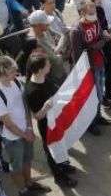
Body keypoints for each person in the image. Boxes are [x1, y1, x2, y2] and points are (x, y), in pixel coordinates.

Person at [0, 56, 49, 196]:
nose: (16, 73)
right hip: (12, 138)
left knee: (28, 159)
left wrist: (29, 127)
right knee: (16, 166)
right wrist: (24, 134)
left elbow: (25, 104)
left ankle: (29, 183)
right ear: (2, 73)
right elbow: (7, 123)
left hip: (25, 132)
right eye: (11, 71)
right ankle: (22, 190)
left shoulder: (15, 82)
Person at [23, 54, 78, 188]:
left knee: (61, 144)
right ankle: (59, 177)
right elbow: (37, 116)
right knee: (52, 151)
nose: (50, 66)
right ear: (41, 69)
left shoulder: (44, 79)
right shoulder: (32, 91)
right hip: (47, 126)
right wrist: (45, 108)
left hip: (57, 121)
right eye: (47, 64)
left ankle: (63, 165)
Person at [69, 0, 111, 135]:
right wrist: (98, 44)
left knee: (99, 94)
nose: (93, 14)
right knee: (92, 97)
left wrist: (95, 46)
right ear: (82, 12)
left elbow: (101, 39)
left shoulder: (95, 22)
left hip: (99, 63)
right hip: (88, 68)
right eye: (90, 12)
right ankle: (90, 123)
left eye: (94, 11)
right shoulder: (76, 30)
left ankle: (97, 117)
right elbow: (78, 55)